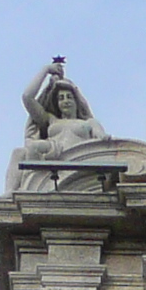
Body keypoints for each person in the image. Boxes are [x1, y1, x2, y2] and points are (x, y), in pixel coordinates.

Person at [16, 59, 117, 192]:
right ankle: (13, 191)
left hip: (78, 156)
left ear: (76, 100)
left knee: (31, 148)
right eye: (61, 98)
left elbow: (100, 136)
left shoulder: (88, 123)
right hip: (53, 151)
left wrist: (104, 138)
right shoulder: (51, 120)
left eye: (69, 97)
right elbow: (27, 97)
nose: (65, 101)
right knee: (19, 152)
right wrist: (46, 70)